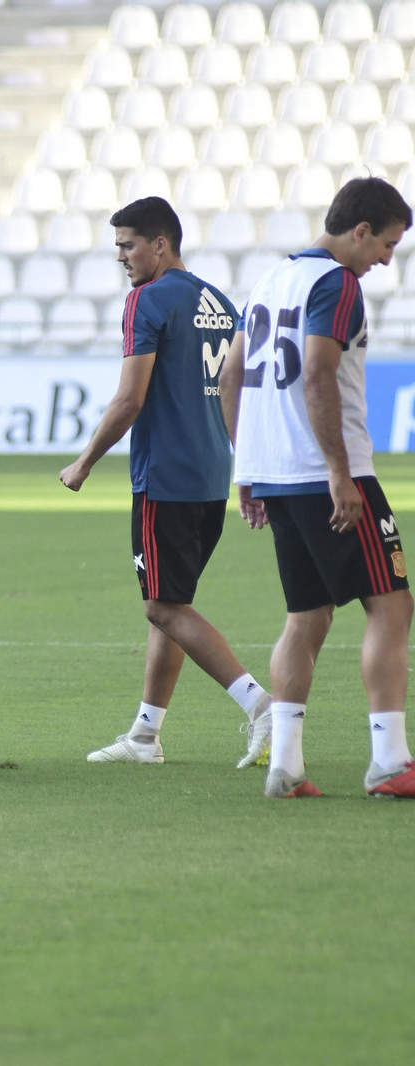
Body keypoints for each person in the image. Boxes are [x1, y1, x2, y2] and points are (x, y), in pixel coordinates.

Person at [59, 196, 274, 768]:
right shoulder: (218, 301)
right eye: (117, 248)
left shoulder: (146, 301)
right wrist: (245, 468)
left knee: (162, 607)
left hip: (166, 478)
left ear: (161, 244)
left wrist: (83, 461)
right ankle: (145, 736)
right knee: (173, 602)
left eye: (128, 245)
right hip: (209, 474)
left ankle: (260, 706)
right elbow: (236, 391)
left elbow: (131, 397)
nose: (122, 258)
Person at [218, 176, 415, 799]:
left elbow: (231, 372)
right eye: (386, 244)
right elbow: (318, 377)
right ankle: (390, 761)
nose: (388, 258)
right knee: (391, 603)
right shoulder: (338, 283)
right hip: (329, 471)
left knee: (306, 616)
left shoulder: (272, 278)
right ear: (359, 231)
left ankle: (286, 764)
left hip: (274, 472)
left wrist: (245, 466)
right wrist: (339, 472)